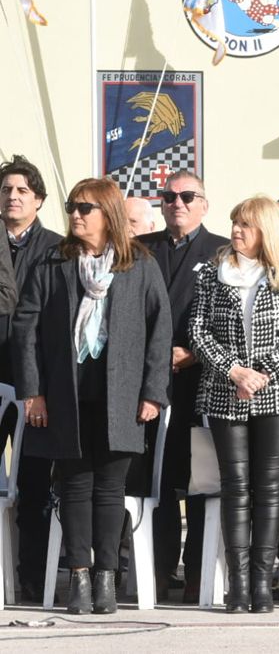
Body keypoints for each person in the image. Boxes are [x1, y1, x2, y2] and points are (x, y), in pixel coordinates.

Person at [13, 177, 171, 614]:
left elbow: (161, 332)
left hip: (122, 395)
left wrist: (154, 391)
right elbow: (25, 330)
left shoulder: (139, 263)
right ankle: (78, 578)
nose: (76, 215)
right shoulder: (54, 262)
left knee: (110, 489)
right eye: (72, 206)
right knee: (74, 487)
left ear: (109, 214)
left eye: (86, 208)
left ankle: (107, 579)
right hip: (66, 395)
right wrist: (33, 392)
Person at [189, 196, 279, 613]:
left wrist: (260, 373)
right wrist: (234, 371)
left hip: (278, 390)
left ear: (265, 228)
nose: (236, 232)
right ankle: (238, 585)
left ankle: (263, 583)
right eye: (234, 224)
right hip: (226, 390)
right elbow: (197, 328)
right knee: (234, 487)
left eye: (245, 225)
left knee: (267, 490)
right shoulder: (213, 272)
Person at [137, 170, 228, 602]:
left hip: (201, 384)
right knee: (157, 484)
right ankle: (156, 571)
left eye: (188, 196)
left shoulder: (222, 252)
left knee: (199, 483)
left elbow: (230, 319)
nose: (178, 203)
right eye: (169, 196)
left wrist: (193, 351)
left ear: (204, 204)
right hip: (151, 385)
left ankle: (196, 574)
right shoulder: (142, 251)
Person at [0, 154, 61, 602]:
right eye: (6, 189)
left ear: (38, 199)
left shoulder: (57, 249)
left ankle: (32, 578)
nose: (13, 196)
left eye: (22, 190)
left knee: (35, 484)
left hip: (34, 384)